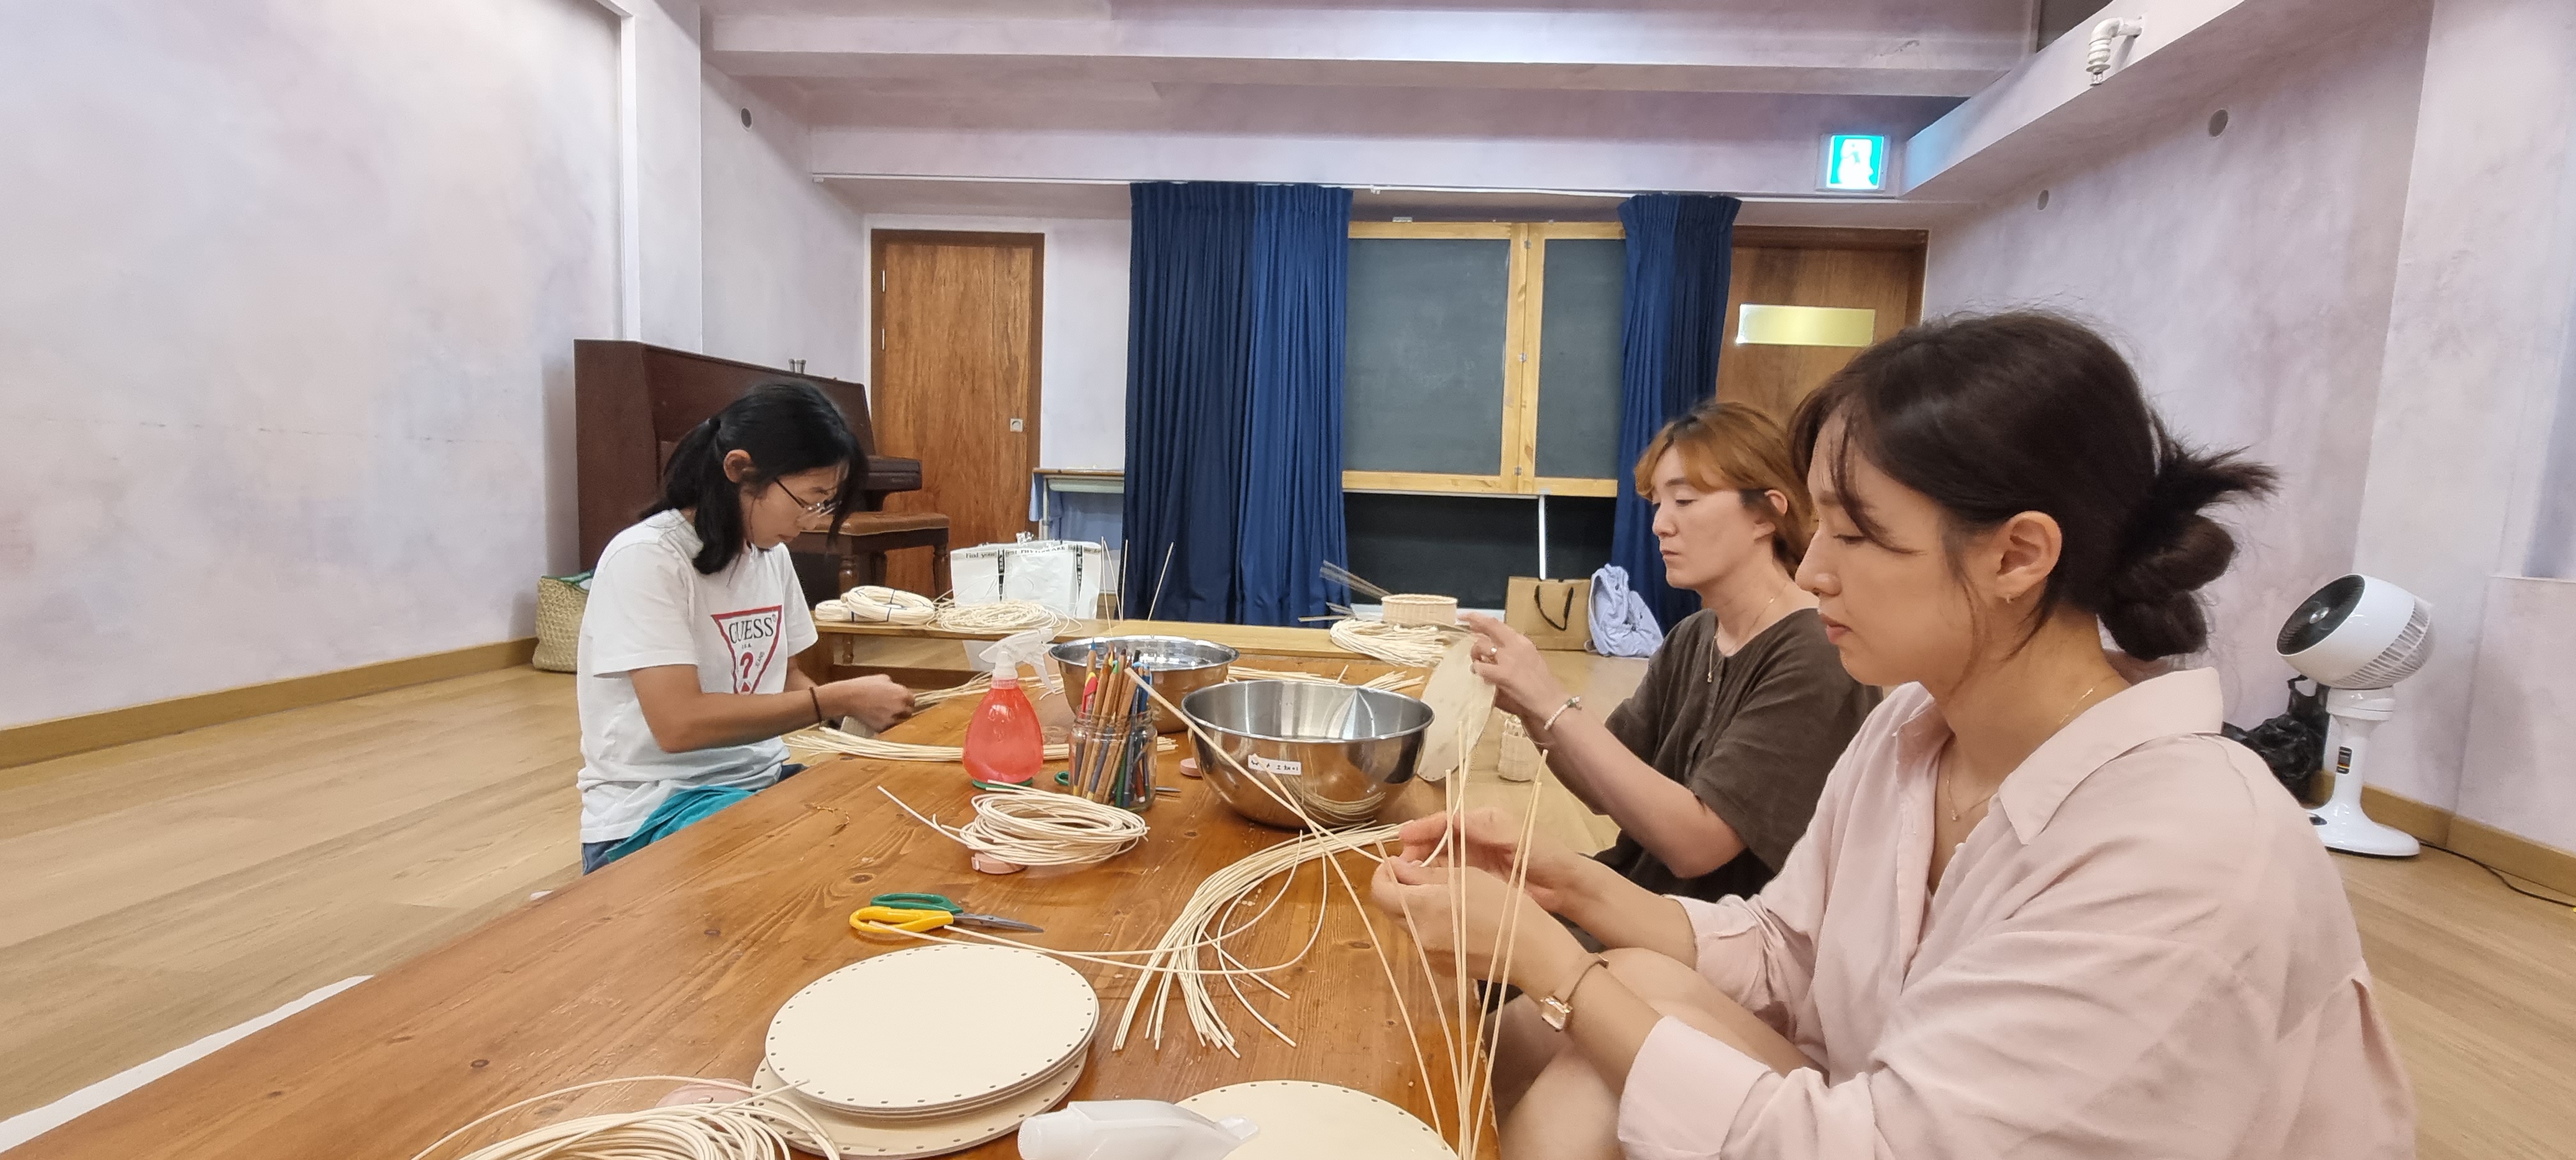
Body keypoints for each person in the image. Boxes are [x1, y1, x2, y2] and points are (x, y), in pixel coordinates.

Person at [1374, 314, 2414, 1159]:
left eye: (1855, 533)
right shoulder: (1914, 731)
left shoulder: (2186, 848)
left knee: (1595, 1021)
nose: (1813, 568)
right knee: (1602, 1006)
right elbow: (1788, 947)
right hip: (1875, 1108)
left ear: (2017, 555)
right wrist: (1568, 887)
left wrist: (1562, 968)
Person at [1463, 401, 1878, 904]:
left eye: (1684, 500)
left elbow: (1697, 847)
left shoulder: (1815, 651)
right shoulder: (1694, 636)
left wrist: (1549, 697)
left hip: (1713, 929)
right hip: (1640, 896)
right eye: (1658, 504)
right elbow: (1599, 788)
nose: (1660, 524)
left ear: (1765, 514)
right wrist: (1529, 705)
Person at [574, 382, 916, 873]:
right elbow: (678, 724)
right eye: (809, 499)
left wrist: (859, 719)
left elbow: (785, 677)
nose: (811, 520)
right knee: (808, 862)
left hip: (756, 784)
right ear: (739, 469)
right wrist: (836, 699)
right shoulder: (647, 558)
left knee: (886, 823)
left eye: (824, 504)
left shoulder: (769, 554)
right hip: (654, 811)